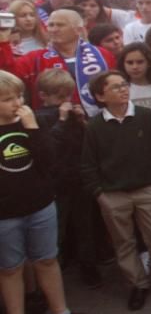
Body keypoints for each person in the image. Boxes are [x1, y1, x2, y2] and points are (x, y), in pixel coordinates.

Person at [81, 70, 151, 311]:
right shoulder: (95, 126)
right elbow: (88, 164)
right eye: (115, 87)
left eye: (124, 85)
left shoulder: (145, 116)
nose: (123, 89)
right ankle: (137, 285)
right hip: (112, 194)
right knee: (124, 242)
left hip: (146, 189)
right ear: (100, 96)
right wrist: (100, 193)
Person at [0, 70, 81, 314]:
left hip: (40, 206)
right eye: (8, 99)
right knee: (10, 269)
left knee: (47, 260)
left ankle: (60, 309)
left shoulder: (33, 121)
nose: (18, 103)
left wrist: (32, 128)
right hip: (5, 214)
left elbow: (49, 161)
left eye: (19, 97)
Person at [33, 69, 104, 289]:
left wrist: (82, 121)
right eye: (57, 96)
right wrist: (62, 120)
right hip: (54, 182)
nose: (63, 102)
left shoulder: (75, 115)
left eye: (66, 96)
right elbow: (48, 147)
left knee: (85, 225)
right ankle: (53, 268)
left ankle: (88, 265)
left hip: (79, 178)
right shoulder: (38, 117)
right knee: (57, 228)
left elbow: (90, 143)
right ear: (43, 95)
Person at [0, 9, 116, 115]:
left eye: (60, 25)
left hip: (101, 120)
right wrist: (3, 42)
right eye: (51, 25)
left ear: (78, 30)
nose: (54, 29)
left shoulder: (102, 54)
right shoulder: (35, 58)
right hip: (52, 126)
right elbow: (7, 75)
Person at [118, 43, 151, 111]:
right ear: (123, 64)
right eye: (130, 63)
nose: (135, 67)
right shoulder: (121, 88)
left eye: (140, 62)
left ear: (149, 63)